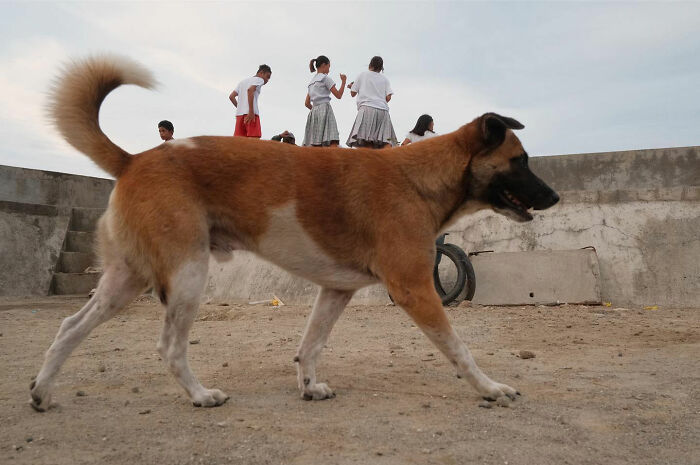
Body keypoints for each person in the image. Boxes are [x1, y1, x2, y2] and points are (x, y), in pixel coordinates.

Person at [346, 56, 398, 149]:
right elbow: (388, 97)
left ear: (370, 64)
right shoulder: (385, 79)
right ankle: (388, 160)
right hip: (383, 111)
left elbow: (353, 93)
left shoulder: (363, 75)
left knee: (367, 141)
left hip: (367, 109)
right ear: (381, 68)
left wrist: (351, 86)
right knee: (386, 141)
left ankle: (368, 162)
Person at [303, 55, 346, 147]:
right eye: (328, 66)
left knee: (315, 142)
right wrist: (343, 82)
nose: (329, 70)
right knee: (331, 140)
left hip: (314, 111)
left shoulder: (311, 82)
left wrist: (315, 110)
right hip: (325, 108)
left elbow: (307, 103)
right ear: (323, 65)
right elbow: (338, 95)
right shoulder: (325, 78)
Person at [229, 64, 272, 138]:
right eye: (267, 77)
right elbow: (250, 90)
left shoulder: (242, 82)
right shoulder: (259, 79)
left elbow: (231, 96)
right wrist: (251, 111)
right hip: (251, 115)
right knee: (254, 140)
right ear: (261, 73)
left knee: (239, 142)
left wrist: (240, 107)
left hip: (239, 116)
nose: (267, 80)